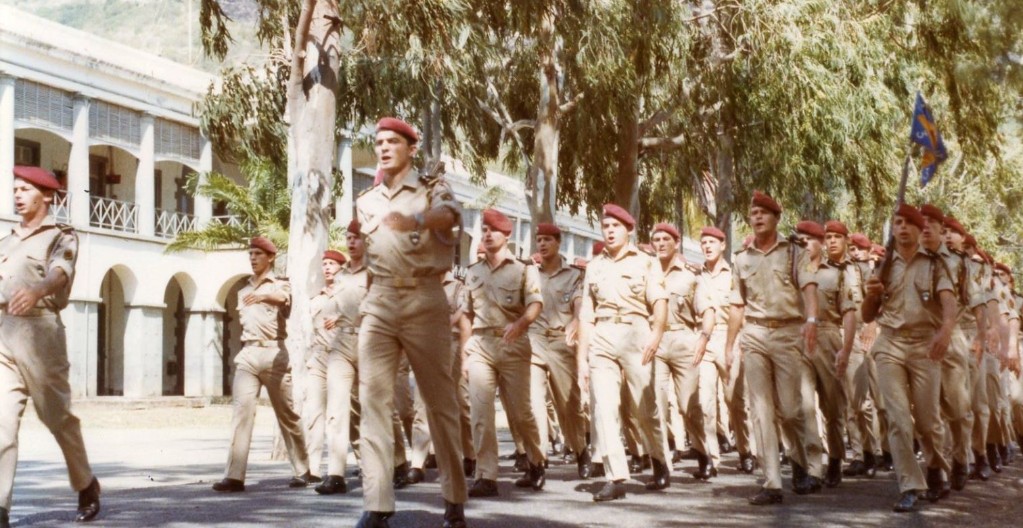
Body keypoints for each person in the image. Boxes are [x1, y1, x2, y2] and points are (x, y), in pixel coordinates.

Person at [354, 117, 467, 528]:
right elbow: (369, 258)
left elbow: (451, 217)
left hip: (424, 298)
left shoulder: (432, 190)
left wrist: (417, 220)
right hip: (381, 299)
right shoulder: (366, 201)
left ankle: (454, 500)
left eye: (392, 142)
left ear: (410, 148)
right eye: (379, 142)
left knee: (440, 404)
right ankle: (378, 503)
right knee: (373, 402)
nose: (384, 148)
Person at [0, 166, 101, 527]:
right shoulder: (7, 240)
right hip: (4, 333)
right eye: (14, 188)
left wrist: (37, 291)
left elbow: (60, 273)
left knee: (56, 416)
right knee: (1, 422)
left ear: (46, 196)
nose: (17, 194)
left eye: (25, 188)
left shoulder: (61, 236)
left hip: (41, 333)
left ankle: (86, 483)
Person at [724, 191, 823, 505]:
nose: (757, 217)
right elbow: (736, 305)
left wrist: (811, 320)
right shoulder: (741, 259)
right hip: (754, 334)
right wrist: (730, 344)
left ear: (776, 218)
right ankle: (772, 483)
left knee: (791, 410)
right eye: (753, 213)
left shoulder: (794, 253)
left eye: (763, 213)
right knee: (760, 410)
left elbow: (808, 288)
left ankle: (798, 461)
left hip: (787, 333)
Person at [861, 204, 956, 512]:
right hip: (890, 344)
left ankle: (934, 467)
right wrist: (872, 293)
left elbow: (949, 303)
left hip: (924, 346)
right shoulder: (883, 265)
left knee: (928, 422)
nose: (901, 228)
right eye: (897, 223)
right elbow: (867, 315)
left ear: (918, 230)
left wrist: (945, 331)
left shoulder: (936, 263)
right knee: (898, 419)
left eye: (908, 223)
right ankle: (910, 485)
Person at [577, 204, 671, 502]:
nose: (610, 231)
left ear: (628, 230)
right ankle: (615, 476)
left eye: (615, 226)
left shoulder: (646, 262)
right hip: (602, 336)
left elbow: (659, 302)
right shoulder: (594, 266)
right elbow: (585, 316)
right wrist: (581, 359)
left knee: (645, 410)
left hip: (636, 334)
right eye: (605, 226)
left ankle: (657, 457)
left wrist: (656, 334)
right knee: (604, 409)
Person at [212, 236, 311, 493]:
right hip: (248, 354)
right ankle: (234, 475)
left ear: (270, 258)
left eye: (258, 254)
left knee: (287, 414)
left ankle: (303, 470)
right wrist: (255, 295)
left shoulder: (280, 285)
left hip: (274, 354)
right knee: (241, 413)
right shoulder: (243, 290)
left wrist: (264, 296)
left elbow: (282, 299)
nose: (253, 258)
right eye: (251, 254)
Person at [463, 209, 547, 497]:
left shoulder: (524, 269)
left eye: (493, 230)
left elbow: (535, 304)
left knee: (521, 413)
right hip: (480, 346)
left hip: (513, 345)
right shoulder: (472, 272)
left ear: (507, 236)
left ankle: (536, 461)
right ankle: (486, 475)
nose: (487, 235)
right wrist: (465, 350)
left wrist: (522, 323)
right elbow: (466, 314)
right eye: (484, 230)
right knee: (480, 412)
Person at [920, 205, 984, 491]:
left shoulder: (959, 264)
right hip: (919, 339)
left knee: (957, 409)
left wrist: (982, 336)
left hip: (953, 338)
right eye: (921, 222)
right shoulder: (910, 259)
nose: (926, 227)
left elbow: (977, 302)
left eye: (934, 224)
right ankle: (936, 468)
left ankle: (961, 457)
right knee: (926, 411)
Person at [650, 223, 719, 480]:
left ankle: (703, 454)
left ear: (676, 243)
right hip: (654, 341)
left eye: (666, 239)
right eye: (656, 239)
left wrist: (704, 337)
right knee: (655, 404)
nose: (660, 243)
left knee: (687, 404)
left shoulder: (690, 276)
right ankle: (660, 464)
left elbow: (708, 311)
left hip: (683, 340)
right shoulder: (647, 272)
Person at [528, 223, 592, 479]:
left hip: (561, 342)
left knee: (569, 406)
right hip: (534, 342)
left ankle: (581, 450)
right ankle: (537, 462)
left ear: (558, 243)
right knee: (533, 404)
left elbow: (579, 303)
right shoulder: (529, 274)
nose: (542, 244)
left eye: (547, 240)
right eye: (539, 240)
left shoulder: (574, 275)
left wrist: (577, 321)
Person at [802, 220, 860, 488]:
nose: (804, 244)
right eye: (800, 240)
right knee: (803, 405)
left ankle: (836, 457)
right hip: (799, 339)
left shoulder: (836, 274)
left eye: (809, 239)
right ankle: (814, 468)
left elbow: (848, 313)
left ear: (821, 243)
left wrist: (846, 350)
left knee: (832, 406)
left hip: (827, 337)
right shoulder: (793, 272)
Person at [314, 221, 369, 495]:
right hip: (342, 343)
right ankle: (335, 473)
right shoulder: (341, 276)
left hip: (370, 341)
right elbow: (333, 309)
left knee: (374, 408)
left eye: (356, 238)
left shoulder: (376, 272)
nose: (351, 242)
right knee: (336, 409)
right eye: (347, 237)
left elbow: (383, 305)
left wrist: (351, 315)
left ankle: (395, 464)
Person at [407, 269, 475, 484]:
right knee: (421, 404)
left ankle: (470, 454)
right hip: (426, 347)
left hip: (452, 346)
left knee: (460, 405)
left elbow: (464, 318)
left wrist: (465, 356)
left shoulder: (458, 288)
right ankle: (417, 463)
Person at [698, 226, 755, 474]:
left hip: (729, 338)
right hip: (703, 341)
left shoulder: (733, 275)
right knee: (705, 403)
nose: (707, 247)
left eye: (712, 242)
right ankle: (711, 458)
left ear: (723, 245)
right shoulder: (695, 276)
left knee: (736, 402)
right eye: (704, 243)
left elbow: (741, 312)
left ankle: (746, 450)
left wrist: (740, 343)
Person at [303, 249, 346, 486]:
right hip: (318, 356)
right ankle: (313, 468)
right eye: (325, 264)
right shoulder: (316, 299)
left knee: (345, 414)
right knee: (314, 412)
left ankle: (360, 462)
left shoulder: (348, 295)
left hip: (342, 356)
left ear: (341, 267)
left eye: (332, 263)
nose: (328, 267)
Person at [843, 232, 884, 478]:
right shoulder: (843, 272)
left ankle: (878, 450)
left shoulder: (873, 273)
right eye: (853, 248)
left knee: (873, 399)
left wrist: (871, 326)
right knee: (851, 400)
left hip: (871, 335)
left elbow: (880, 303)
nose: (855, 252)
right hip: (847, 334)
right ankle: (859, 454)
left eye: (860, 248)